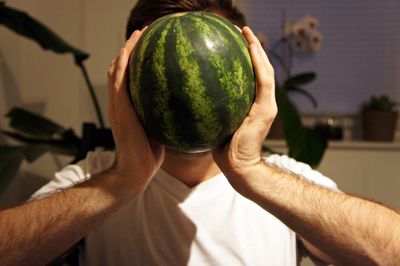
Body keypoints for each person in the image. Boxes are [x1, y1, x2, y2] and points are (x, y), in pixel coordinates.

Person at [1, 0, 400, 265]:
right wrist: (122, 180)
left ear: (251, 75)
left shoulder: (282, 180)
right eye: (165, 71)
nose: (187, 88)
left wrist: (252, 172)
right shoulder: (96, 176)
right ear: (125, 80)